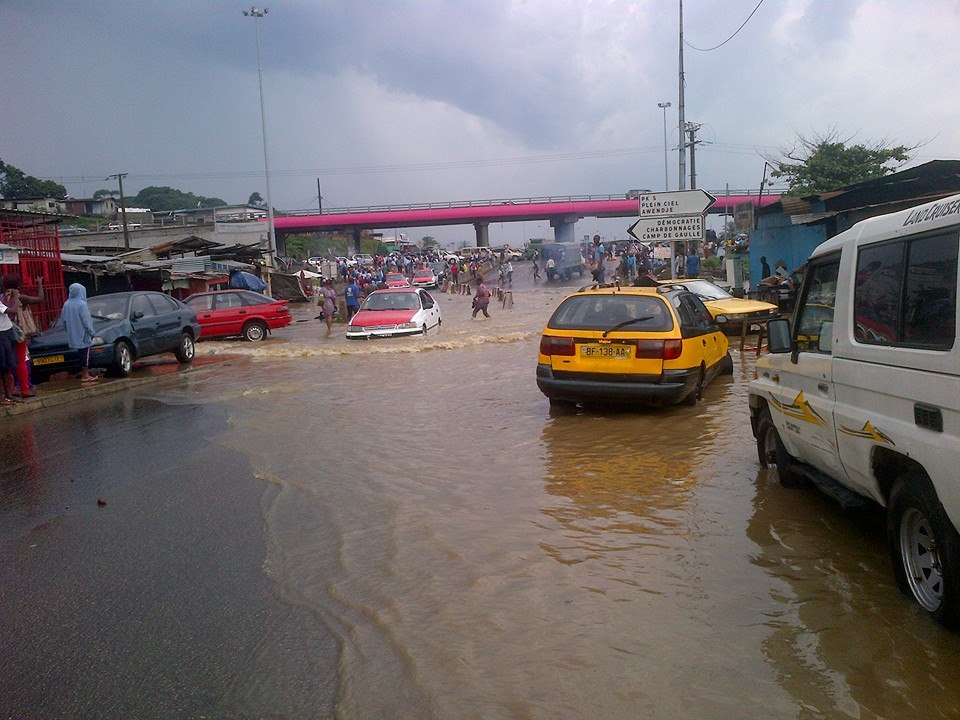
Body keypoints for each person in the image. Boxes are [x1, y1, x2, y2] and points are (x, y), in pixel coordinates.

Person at [2, 273, 45, 397]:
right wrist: (40, 284)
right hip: (19, 333)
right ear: (18, 284)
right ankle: (25, 387)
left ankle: (14, 386)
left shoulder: (2, 297)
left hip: (6, 331)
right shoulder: (20, 297)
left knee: (11, 360)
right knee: (23, 359)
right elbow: (40, 299)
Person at [61, 283, 98, 383]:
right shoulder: (82, 304)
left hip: (73, 334)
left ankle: (84, 374)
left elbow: (63, 320)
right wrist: (92, 332)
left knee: (80, 354)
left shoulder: (66, 304)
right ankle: (85, 375)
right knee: (85, 354)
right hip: (83, 333)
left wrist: (69, 331)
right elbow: (86, 321)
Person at [0, 291, 19, 403]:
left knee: (6, 368)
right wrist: (16, 297)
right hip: (2, 335)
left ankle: (9, 396)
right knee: (3, 366)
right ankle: (6, 396)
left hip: (6, 332)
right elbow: (13, 310)